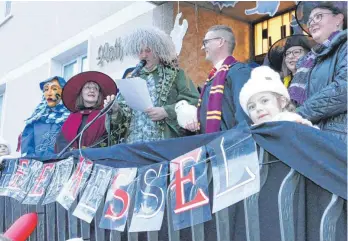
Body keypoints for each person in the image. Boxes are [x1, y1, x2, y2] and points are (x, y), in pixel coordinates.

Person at [104, 27, 199, 144]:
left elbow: (194, 101)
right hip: (134, 145)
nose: (143, 55)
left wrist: (166, 111)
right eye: (140, 51)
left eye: (148, 50)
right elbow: (122, 120)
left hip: (164, 145)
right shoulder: (131, 78)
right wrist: (115, 110)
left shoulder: (177, 74)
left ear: (158, 51)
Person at [290, 1, 347, 143]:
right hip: (315, 140)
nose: (311, 23)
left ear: (338, 19)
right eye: (309, 21)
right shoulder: (311, 59)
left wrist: (299, 114)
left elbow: (344, 88)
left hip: (339, 141)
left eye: (318, 16)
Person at [186, 25, 252, 133]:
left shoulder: (239, 72)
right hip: (212, 144)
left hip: (230, 145)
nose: (203, 47)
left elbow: (244, 117)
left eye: (206, 42)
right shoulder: (214, 77)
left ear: (220, 42)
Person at [55, 71, 117, 153]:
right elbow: (61, 143)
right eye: (88, 87)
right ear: (81, 92)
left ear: (99, 94)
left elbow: (109, 139)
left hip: (97, 160)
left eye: (96, 88)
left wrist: (86, 152)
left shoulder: (105, 115)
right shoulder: (71, 118)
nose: (92, 90)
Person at [239, 66, 314, 126]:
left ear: (282, 102)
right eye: (251, 107)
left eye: (264, 101)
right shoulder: (252, 134)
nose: (258, 109)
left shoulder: (294, 124)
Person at [19, 76, 70, 158]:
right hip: (38, 167)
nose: (49, 93)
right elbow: (27, 149)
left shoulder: (72, 118)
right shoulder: (36, 120)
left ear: (64, 92)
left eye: (54, 89)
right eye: (46, 89)